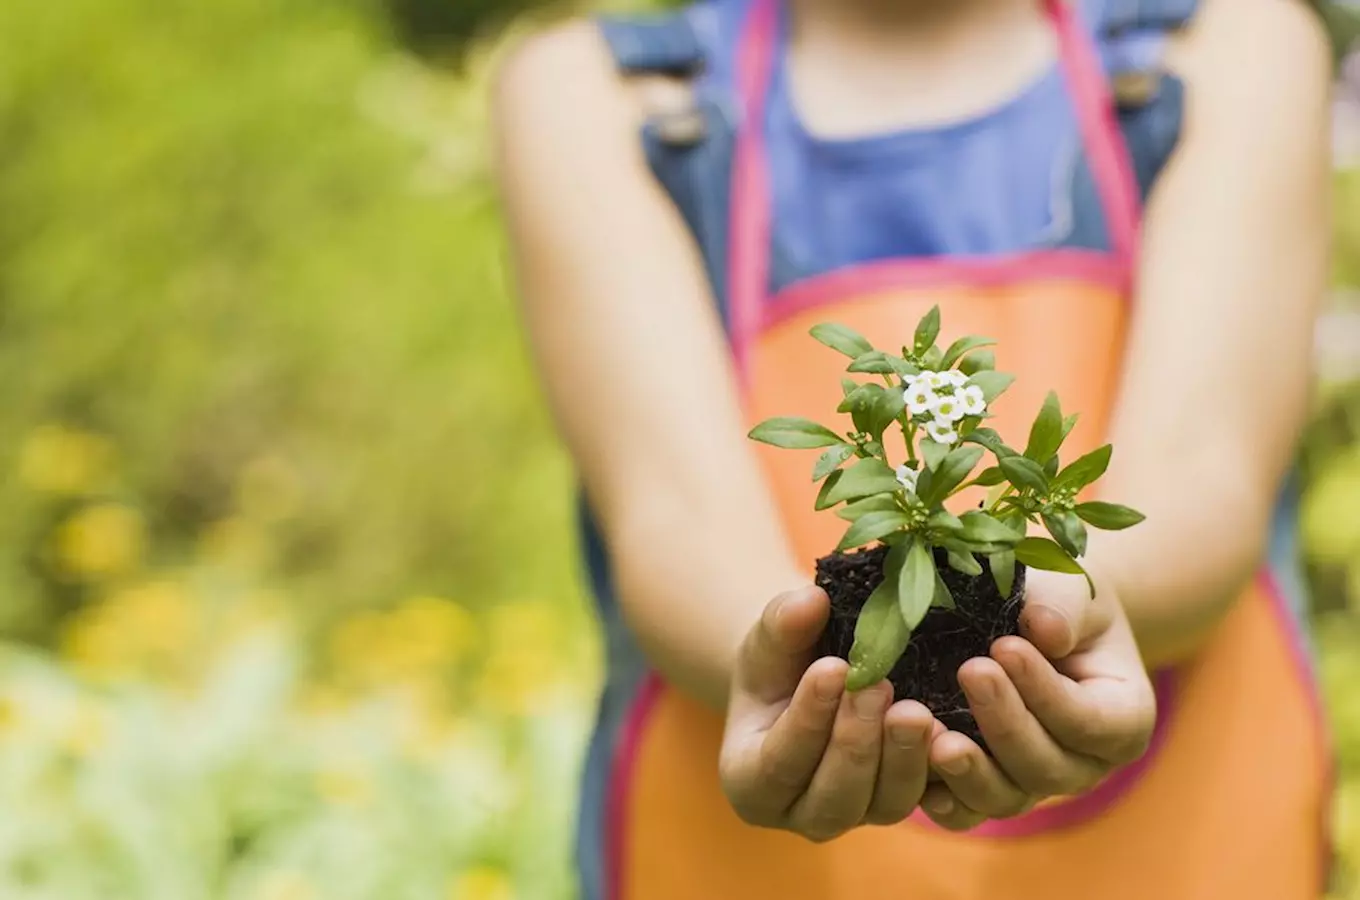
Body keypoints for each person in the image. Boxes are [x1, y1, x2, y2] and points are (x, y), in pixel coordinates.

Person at [491, 0, 1334, 896]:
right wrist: (813, 669)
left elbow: (1205, 477)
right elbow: (672, 516)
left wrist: (1057, 605)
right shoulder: (612, 97)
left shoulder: (1226, 43)